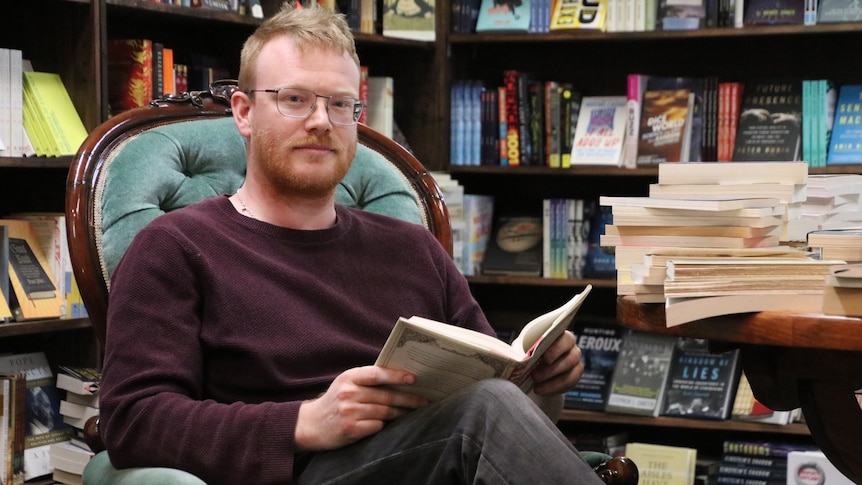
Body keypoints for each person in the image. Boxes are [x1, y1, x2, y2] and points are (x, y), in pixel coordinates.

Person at [98, 3, 604, 484]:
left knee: (491, 401)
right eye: (295, 99)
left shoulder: (413, 249)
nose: (321, 121)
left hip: (437, 459)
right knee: (484, 411)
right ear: (244, 112)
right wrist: (303, 422)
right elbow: (133, 421)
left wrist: (544, 384)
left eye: (340, 104)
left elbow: (499, 399)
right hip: (304, 471)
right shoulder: (175, 247)